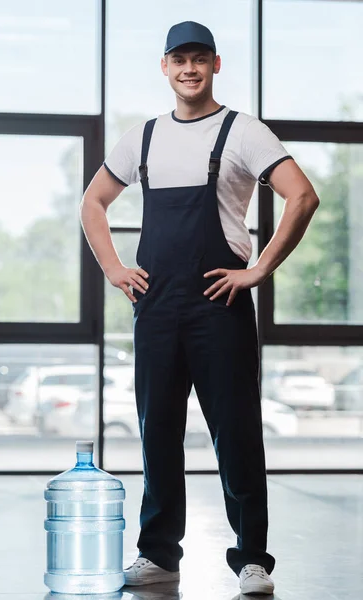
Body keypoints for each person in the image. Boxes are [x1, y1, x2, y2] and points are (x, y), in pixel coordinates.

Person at [80, 20, 319, 596]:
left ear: (216, 65)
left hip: (220, 304)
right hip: (157, 307)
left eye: (199, 59)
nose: (189, 69)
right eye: (178, 59)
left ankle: (252, 560)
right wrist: (114, 268)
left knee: (235, 434)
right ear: (164, 67)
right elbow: (93, 202)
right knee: (156, 431)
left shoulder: (243, 132)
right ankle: (158, 555)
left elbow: (303, 195)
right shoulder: (142, 138)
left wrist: (259, 268)